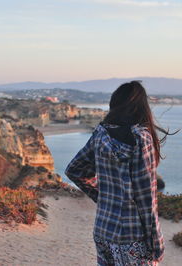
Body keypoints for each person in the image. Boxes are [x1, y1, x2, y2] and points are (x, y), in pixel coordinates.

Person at [65, 81, 174, 266]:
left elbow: (74, 170)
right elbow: (145, 196)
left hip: (103, 230)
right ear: (141, 107)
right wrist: (157, 242)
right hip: (132, 236)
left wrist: (104, 197)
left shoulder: (100, 134)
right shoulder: (141, 138)